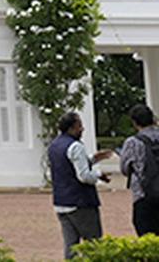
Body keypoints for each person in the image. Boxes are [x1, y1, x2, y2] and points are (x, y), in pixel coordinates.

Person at [49, 111, 113, 259]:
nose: (82, 129)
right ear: (71, 128)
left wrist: (92, 159)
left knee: (71, 246)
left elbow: (67, 166)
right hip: (80, 202)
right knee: (94, 244)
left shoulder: (54, 145)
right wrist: (98, 175)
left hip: (61, 202)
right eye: (79, 126)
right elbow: (83, 176)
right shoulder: (76, 146)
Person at [118, 104, 159, 236]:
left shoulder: (132, 142)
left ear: (134, 122)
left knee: (147, 239)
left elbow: (124, 169)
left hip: (144, 195)